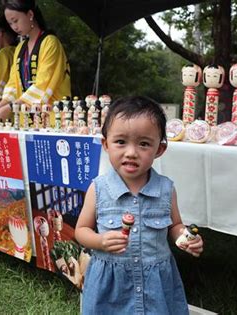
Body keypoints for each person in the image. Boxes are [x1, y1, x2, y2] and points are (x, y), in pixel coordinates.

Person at [75, 96, 204, 314]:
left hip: (155, 284)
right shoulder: (98, 189)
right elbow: (81, 231)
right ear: (106, 144)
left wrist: (185, 237)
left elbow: (175, 225)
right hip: (110, 286)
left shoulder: (166, 189)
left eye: (144, 144)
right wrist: (100, 241)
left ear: (159, 149)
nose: (131, 152)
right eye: (121, 142)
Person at [0, 0, 71, 121]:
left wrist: (11, 107)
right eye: (10, 24)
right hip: (27, 118)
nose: (14, 27)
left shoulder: (50, 43)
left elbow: (44, 82)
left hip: (52, 115)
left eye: (16, 21)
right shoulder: (20, 48)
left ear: (30, 15)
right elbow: (13, 84)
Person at [0, 16, 18, 105]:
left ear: (0, 33)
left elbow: (2, 81)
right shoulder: (19, 50)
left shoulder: (3, 53)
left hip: (6, 103)